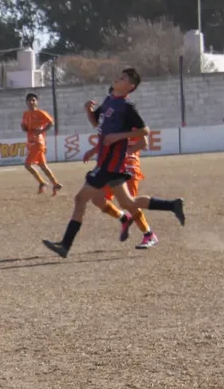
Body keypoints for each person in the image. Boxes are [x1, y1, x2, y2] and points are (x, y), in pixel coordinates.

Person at [43, 68, 186, 258]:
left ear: (130, 87)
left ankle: (65, 245)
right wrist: (89, 111)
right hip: (108, 163)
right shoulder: (109, 100)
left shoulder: (127, 106)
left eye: (124, 78)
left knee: (81, 199)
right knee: (128, 202)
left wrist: (120, 136)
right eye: (120, 75)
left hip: (110, 164)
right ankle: (172, 205)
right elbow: (97, 124)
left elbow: (144, 131)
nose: (118, 78)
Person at [21, 93, 62, 195]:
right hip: (31, 141)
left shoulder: (41, 113)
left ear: (36, 102)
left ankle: (42, 182)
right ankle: (55, 184)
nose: (31, 102)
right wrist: (23, 127)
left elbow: (51, 123)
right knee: (43, 165)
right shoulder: (25, 114)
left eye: (33, 100)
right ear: (26, 102)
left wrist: (41, 130)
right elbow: (24, 126)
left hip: (38, 142)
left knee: (27, 165)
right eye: (29, 100)